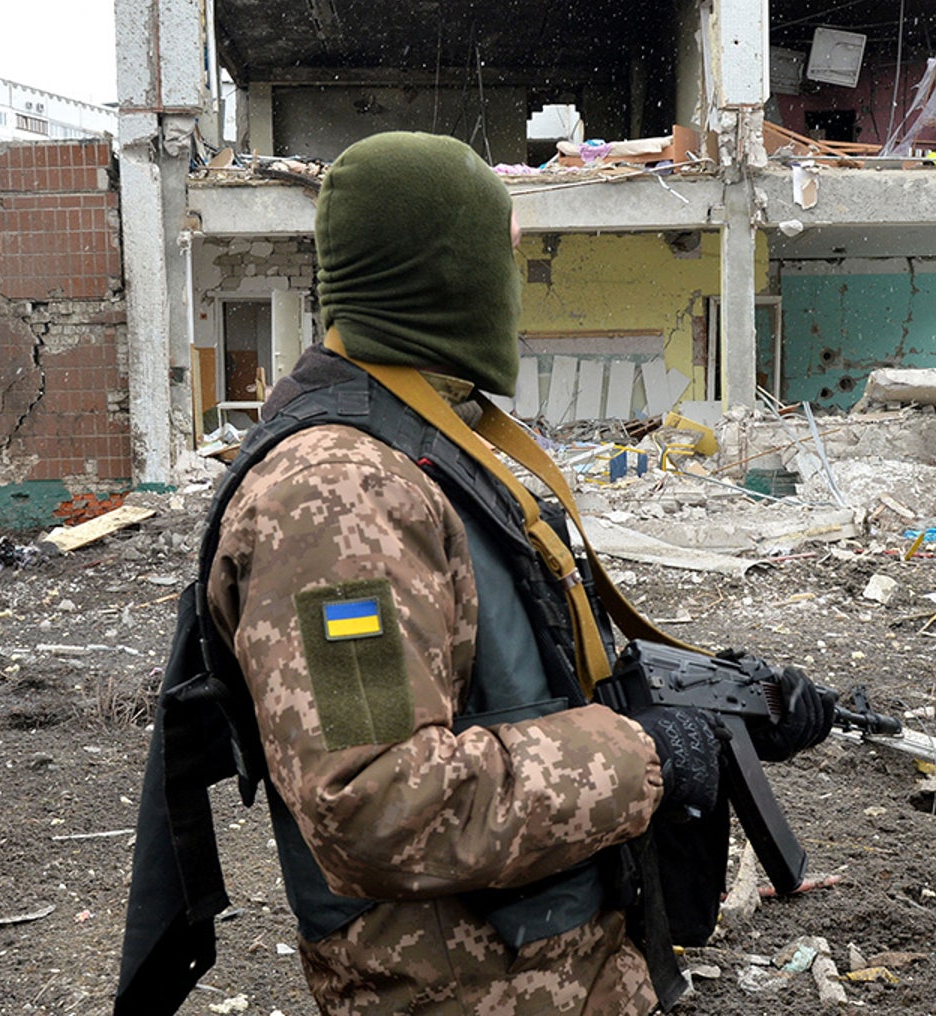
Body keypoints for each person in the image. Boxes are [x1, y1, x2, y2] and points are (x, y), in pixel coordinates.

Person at [119, 131, 832, 1015]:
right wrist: (646, 753)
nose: (516, 284)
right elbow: (377, 801)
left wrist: (719, 707)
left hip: (547, 973)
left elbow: (515, 676)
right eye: (506, 256)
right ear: (445, 270)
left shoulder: (425, 444)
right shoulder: (339, 497)